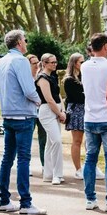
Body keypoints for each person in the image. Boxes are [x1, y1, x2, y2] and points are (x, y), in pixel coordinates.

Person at [0, 30, 46, 215]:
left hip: (8, 114)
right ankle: (25, 203)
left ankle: (4, 200)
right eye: (25, 40)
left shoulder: (2, 62)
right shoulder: (20, 61)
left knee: (7, 158)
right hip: (23, 115)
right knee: (23, 159)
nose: (26, 43)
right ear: (18, 43)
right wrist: (38, 100)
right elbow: (28, 88)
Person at [81, 33, 107, 212]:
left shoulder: (85, 67)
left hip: (90, 118)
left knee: (90, 159)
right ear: (104, 46)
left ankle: (90, 198)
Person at [36, 53, 66, 185]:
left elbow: (58, 95)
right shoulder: (42, 78)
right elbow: (49, 99)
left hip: (56, 109)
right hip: (47, 111)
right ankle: (56, 174)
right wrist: (60, 114)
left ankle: (48, 173)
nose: (55, 64)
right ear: (44, 63)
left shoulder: (52, 76)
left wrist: (63, 110)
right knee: (57, 141)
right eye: (52, 62)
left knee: (50, 142)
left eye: (55, 62)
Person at [63, 53, 86, 178]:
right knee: (77, 141)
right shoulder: (69, 80)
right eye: (80, 62)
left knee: (90, 141)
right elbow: (79, 97)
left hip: (87, 110)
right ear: (74, 63)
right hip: (76, 110)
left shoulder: (84, 76)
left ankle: (90, 166)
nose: (83, 64)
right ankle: (78, 169)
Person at [27, 54, 46, 176]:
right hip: (29, 112)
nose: (36, 65)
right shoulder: (25, 78)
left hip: (42, 112)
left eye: (37, 62)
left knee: (43, 139)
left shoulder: (41, 77)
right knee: (27, 140)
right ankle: (26, 165)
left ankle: (45, 165)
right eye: (33, 63)